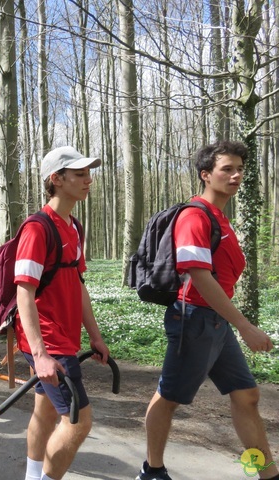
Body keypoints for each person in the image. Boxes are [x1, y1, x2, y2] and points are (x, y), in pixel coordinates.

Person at [136, 141, 278, 480]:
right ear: (206, 175)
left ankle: (266, 473)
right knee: (168, 399)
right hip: (194, 320)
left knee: (247, 396)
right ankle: (152, 471)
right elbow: (199, 277)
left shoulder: (220, 219)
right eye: (226, 169)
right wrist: (244, 325)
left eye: (239, 168)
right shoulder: (194, 216)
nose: (236, 175)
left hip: (215, 322)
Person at [15, 146, 110, 480]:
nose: (88, 180)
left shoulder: (75, 226)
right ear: (56, 179)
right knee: (78, 421)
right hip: (46, 339)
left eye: (88, 173)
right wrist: (40, 354)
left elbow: (77, 283)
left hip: (64, 337)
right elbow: (23, 291)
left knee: (44, 413)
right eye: (80, 174)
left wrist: (95, 336)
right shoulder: (37, 228)